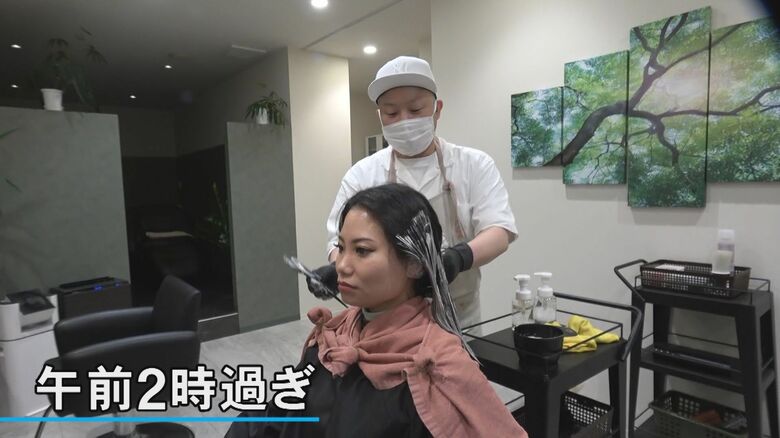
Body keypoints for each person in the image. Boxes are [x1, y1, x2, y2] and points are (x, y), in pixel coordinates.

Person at [225, 183, 526, 438]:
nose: (341, 265)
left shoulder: (436, 370)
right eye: (341, 247)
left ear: (414, 264)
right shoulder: (331, 339)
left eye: (362, 250)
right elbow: (280, 415)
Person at [310, 56, 517, 327]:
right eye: (391, 113)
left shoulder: (473, 164)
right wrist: (338, 268)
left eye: (416, 109)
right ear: (380, 116)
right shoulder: (362, 174)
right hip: (383, 321)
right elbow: (337, 241)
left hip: (457, 315)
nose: (404, 121)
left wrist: (458, 258)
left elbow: (499, 231)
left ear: (437, 109)